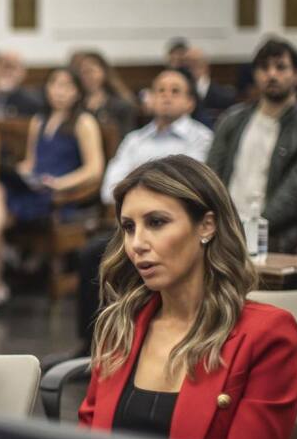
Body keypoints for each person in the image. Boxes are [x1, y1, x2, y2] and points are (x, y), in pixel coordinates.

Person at [80, 155, 297, 439]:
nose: (136, 244)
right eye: (129, 227)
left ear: (207, 226)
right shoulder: (121, 326)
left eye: (156, 223)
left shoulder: (267, 335)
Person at [74, 68, 214, 349]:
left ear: (190, 102)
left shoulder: (202, 139)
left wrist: (139, 184)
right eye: (160, 90)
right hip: (131, 224)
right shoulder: (135, 139)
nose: (165, 97)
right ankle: (93, 344)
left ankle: (149, 338)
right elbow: (109, 187)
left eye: (175, 91)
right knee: (91, 254)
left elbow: (194, 189)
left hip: (179, 227)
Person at [0, 67, 104, 303]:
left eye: (67, 86)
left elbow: (94, 169)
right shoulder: (39, 120)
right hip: (35, 186)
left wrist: (61, 183)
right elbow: (32, 162)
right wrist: (17, 172)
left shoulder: (83, 122)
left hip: (60, 194)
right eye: (55, 85)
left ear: (77, 91)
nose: (59, 92)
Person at [206, 38, 297, 253]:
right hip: (223, 227)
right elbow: (210, 175)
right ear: (255, 74)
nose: (272, 74)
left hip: (276, 236)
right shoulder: (232, 120)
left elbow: (295, 197)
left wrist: (247, 231)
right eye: (264, 68)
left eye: (281, 67)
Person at [73, 50, 138, 139]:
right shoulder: (76, 105)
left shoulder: (121, 105)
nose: (88, 77)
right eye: (84, 72)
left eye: (91, 71)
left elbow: (128, 138)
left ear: (104, 72)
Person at [182, 46, 236, 124]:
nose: (192, 67)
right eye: (187, 64)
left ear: (206, 65)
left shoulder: (225, 94)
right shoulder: (181, 93)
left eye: (195, 62)